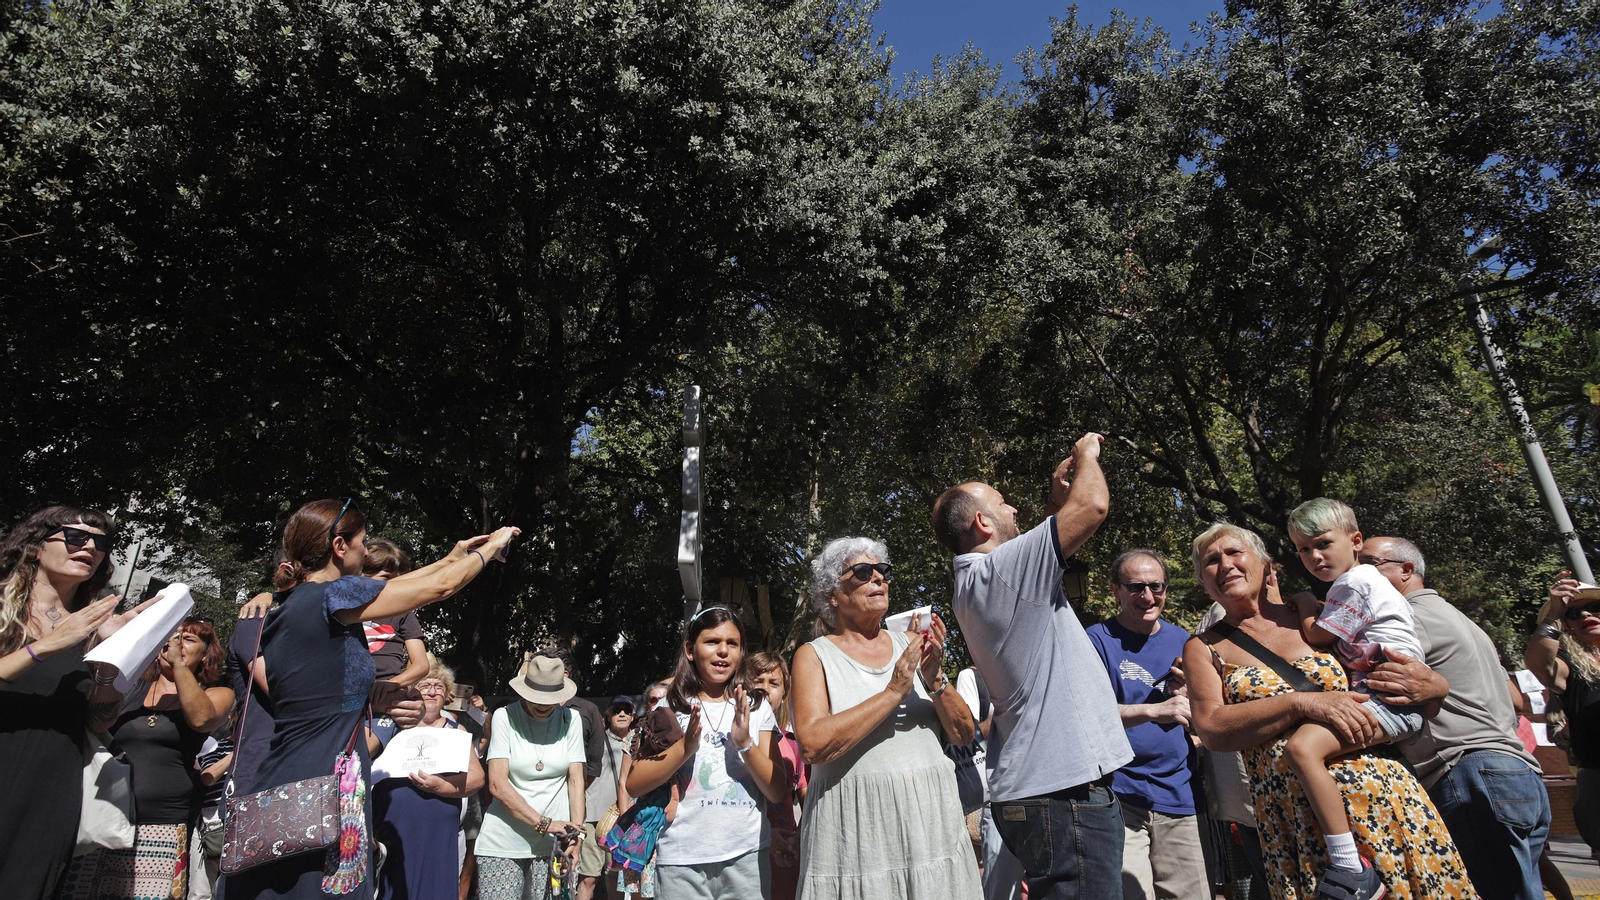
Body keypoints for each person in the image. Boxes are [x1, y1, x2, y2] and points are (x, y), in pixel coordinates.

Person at [218, 497, 519, 900]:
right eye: (361, 542)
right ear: (340, 547)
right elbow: (439, 589)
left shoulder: (302, 603)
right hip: (318, 782)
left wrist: (453, 556)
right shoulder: (330, 598)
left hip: (310, 774)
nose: (366, 549)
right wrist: (490, 548)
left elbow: (399, 587)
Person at [1182, 522, 1475, 900]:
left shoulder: (1320, 620)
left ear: (1266, 565)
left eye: (1235, 553)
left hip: (1384, 796)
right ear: (1204, 583)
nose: (1225, 565)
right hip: (1296, 822)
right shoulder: (1204, 647)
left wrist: (1436, 688)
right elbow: (1212, 728)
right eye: (1211, 561)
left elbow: (1394, 678)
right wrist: (1298, 701)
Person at [932, 433, 1129, 899]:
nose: (1015, 509)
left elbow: (1062, 528)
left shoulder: (980, 580)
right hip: (1064, 795)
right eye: (1003, 503)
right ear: (982, 521)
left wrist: (1060, 504)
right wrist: (1087, 456)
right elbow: (1094, 507)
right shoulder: (1000, 571)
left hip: (1047, 793)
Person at [790, 537, 981, 900]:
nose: (878, 578)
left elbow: (962, 733)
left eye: (883, 571)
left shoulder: (912, 644)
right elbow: (813, 744)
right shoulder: (813, 656)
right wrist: (893, 692)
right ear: (833, 593)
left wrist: (936, 680)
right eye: (863, 572)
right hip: (857, 830)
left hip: (930, 820)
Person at [1363, 536, 1549, 900]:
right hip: (1519, 775)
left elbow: (1377, 687)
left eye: (1369, 563)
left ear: (1406, 570)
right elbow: (1516, 701)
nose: (1359, 574)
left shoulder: (1406, 618)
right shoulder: (1464, 622)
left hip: (1469, 775)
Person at [0, 505, 155, 899]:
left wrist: (113, 656)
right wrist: (48, 645)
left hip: (51, 785)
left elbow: (99, 722)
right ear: (37, 546)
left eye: (100, 542)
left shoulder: (92, 624)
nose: (89, 546)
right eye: (75, 537)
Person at [1280, 499, 1430, 897]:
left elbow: (1316, 635)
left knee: (1302, 749)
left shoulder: (1356, 583)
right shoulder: (1359, 584)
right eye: (1303, 549)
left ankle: (1349, 866)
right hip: (1386, 701)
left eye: (1323, 543)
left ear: (1356, 540)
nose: (1314, 556)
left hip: (1389, 703)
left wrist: (1305, 602)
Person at [63, 617, 234, 899]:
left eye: (188, 640)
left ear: (205, 655)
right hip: (102, 818)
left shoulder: (217, 694)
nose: (175, 643)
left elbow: (201, 718)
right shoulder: (129, 688)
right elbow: (96, 721)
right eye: (170, 636)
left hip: (163, 825)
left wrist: (179, 666)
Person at [626, 607, 788, 900]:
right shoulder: (668, 709)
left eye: (733, 643)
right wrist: (685, 748)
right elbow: (635, 783)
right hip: (680, 860)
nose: (723, 651)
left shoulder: (756, 707)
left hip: (747, 856)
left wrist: (745, 744)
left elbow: (777, 790)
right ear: (690, 649)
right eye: (712, 641)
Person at [1086, 549, 1208, 900]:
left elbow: (1205, 716)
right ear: (1116, 590)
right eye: (1136, 587)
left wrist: (1190, 694)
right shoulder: (1096, 641)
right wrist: (1155, 711)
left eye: (1157, 586)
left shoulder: (1184, 640)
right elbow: (1088, 714)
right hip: (1118, 797)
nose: (1148, 596)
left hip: (1180, 793)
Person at [371, 656, 485, 900]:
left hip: (440, 833)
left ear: (447, 695)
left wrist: (444, 787)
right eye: (425, 685)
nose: (432, 691)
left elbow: (477, 778)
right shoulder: (391, 723)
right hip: (392, 833)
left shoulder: (456, 730)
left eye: (439, 686)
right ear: (412, 692)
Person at [478, 653, 587, 900]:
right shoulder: (505, 716)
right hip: (502, 841)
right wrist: (544, 823)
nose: (541, 704)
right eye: (536, 697)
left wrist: (577, 835)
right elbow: (497, 784)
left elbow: (576, 780)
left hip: (556, 844)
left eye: (550, 698)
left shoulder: (572, 719)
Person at [1525, 571, 1600, 857]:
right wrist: (1554, 613)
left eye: (1594, 608)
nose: (1585, 616)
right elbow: (1539, 665)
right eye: (1574, 614)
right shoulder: (1574, 667)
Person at [743, 651, 806, 900]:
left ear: (785, 695)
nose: (765, 689)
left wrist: (798, 837)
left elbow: (807, 796)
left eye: (774, 683)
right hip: (745, 851)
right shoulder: (730, 740)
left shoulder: (794, 744)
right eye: (757, 681)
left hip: (784, 856)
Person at [578, 695, 635, 900]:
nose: (622, 714)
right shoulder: (597, 738)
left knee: (616, 877)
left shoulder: (639, 741)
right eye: (617, 710)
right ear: (608, 714)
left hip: (625, 820)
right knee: (588, 878)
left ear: (633, 716)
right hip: (594, 817)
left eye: (627, 710)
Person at [362, 539, 430, 688]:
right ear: (363, 575)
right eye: (385, 577)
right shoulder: (346, 608)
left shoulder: (403, 613)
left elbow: (421, 665)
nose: (393, 585)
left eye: (398, 580)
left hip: (387, 687)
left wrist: (391, 684)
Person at [538, 644, 605, 786]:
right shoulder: (529, 708)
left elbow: (594, 762)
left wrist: (577, 790)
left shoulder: (589, 710)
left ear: (564, 674)